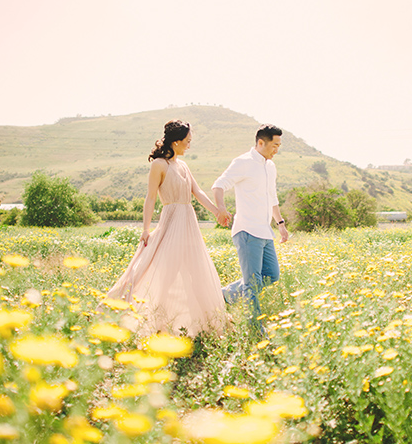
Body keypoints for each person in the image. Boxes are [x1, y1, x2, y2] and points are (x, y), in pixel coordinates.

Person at [102, 120, 228, 337]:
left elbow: (197, 192)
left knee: (195, 270)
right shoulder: (159, 165)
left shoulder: (183, 165)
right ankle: (144, 317)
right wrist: (145, 229)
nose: (189, 145)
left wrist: (217, 212)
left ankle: (204, 323)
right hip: (171, 221)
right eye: (187, 141)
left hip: (189, 221)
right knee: (162, 271)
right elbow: (150, 198)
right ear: (176, 141)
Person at [212, 124, 289, 326]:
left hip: (265, 231)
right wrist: (220, 208)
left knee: (271, 275)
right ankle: (256, 332)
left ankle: (224, 295)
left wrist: (280, 223)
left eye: (279, 146)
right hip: (247, 231)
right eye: (274, 145)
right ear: (260, 143)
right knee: (252, 285)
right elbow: (219, 184)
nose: (277, 150)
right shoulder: (243, 162)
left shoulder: (270, 167)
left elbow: (272, 196)